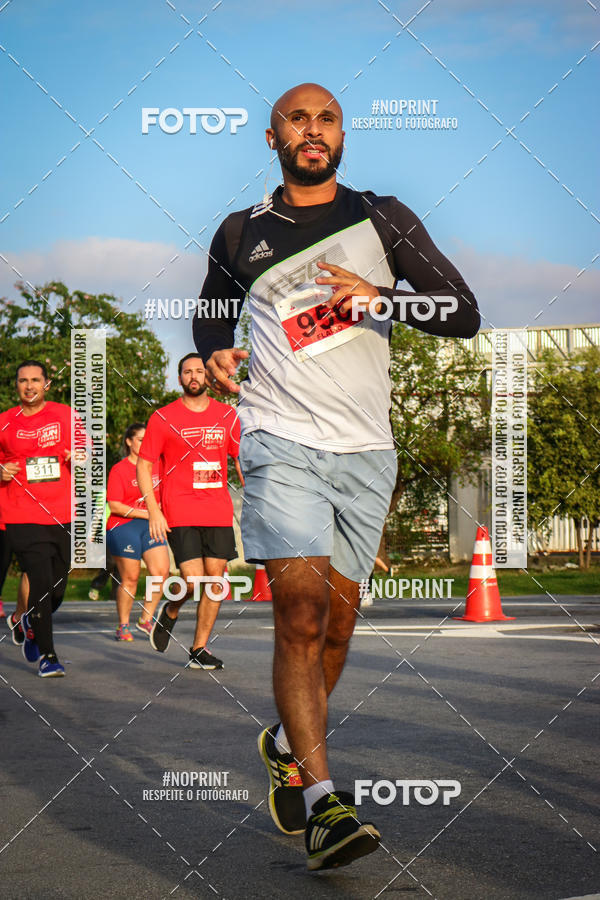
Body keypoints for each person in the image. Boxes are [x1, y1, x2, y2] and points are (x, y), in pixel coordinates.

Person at [192, 83, 480, 869]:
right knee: (302, 612)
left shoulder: (383, 218)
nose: (313, 131)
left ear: (343, 136)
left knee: (340, 627)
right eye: (298, 119)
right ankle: (325, 805)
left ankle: (287, 745)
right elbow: (211, 312)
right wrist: (213, 351)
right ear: (273, 138)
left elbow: (461, 311)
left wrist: (382, 299)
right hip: (279, 440)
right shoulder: (240, 232)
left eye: (327, 119)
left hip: (366, 450)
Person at [137, 353, 243, 670]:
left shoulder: (228, 415)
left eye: (199, 371)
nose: (194, 376)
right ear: (180, 378)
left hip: (218, 510)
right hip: (179, 509)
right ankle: (171, 610)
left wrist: (254, 491)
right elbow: (144, 466)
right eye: (188, 372)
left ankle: (199, 649)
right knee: (193, 579)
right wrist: (154, 511)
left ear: (208, 377)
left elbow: (240, 458)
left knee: (216, 580)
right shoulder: (163, 417)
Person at [0, 360, 76, 677]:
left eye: (35, 380)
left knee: (57, 588)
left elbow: (88, 448)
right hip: (21, 514)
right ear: (16, 385)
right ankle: (48, 656)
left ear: (46, 384)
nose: (29, 386)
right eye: (23, 380)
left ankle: (28, 620)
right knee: (41, 583)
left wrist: (80, 455)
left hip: (62, 514)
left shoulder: (65, 415)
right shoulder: (4, 422)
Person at [106, 423, 170, 641]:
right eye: (140, 439)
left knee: (161, 572)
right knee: (131, 578)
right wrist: (149, 513)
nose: (145, 443)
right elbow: (115, 506)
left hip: (151, 526)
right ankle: (123, 625)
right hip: (123, 526)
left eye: (147, 439)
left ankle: (146, 619)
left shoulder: (159, 465)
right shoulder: (119, 469)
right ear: (129, 441)